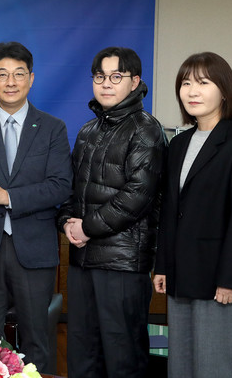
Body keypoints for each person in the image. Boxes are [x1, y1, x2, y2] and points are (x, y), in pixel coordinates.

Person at [0, 42, 72, 373]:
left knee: (37, 339)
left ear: (31, 78)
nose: (11, 82)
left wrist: (9, 196)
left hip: (34, 249)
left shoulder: (52, 128)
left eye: (19, 74)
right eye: (2, 74)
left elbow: (61, 185)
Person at [56, 47, 166, 378]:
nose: (106, 83)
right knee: (82, 353)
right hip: (83, 262)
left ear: (135, 82)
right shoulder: (87, 131)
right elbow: (71, 189)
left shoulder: (146, 130)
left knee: (123, 357)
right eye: (100, 76)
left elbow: (137, 196)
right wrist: (66, 222)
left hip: (122, 265)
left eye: (116, 76)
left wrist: (86, 228)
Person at [153, 52, 232, 378]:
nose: (192, 91)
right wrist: (163, 265)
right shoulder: (178, 144)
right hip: (182, 274)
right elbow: (170, 210)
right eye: (186, 83)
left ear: (224, 91)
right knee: (183, 364)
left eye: (203, 83)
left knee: (219, 365)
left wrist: (231, 278)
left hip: (220, 279)